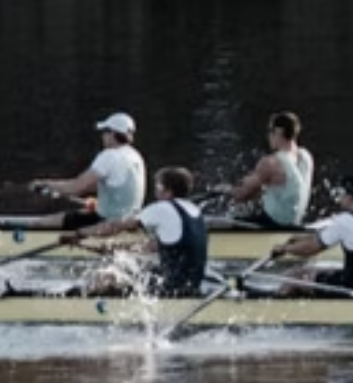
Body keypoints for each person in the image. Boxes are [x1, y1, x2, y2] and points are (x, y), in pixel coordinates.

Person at [62, 167, 210, 298]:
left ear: (168, 190)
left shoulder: (162, 208)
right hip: (191, 286)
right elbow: (149, 247)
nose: (155, 190)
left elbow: (114, 227)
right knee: (128, 267)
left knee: (107, 275)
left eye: (158, 186)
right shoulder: (195, 211)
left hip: (170, 289)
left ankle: (74, 303)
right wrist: (100, 248)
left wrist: (79, 234)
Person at [271, 175, 353, 294]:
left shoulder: (346, 220)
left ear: (350, 198)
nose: (339, 198)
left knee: (295, 276)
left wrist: (285, 249)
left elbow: (310, 249)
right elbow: (323, 236)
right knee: (310, 270)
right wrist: (301, 239)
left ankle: (276, 303)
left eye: (342, 194)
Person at [26, 113, 146, 230]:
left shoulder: (109, 155)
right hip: (131, 220)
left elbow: (75, 186)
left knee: (38, 223)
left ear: (113, 133)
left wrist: (45, 184)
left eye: (105, 131)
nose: (102, 135)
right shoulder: (135, 155)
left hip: (106, 221)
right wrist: (97, 202)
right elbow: (106, 186)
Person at [227, 111, 315, 229]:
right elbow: (290, 191)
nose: (269, 136)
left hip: (272, 226)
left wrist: (226, 190)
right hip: (295, 224)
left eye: (270, 131)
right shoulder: (307, 157)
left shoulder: (271, 163)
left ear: (279, 132)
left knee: (222, 224)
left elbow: (241, 195)